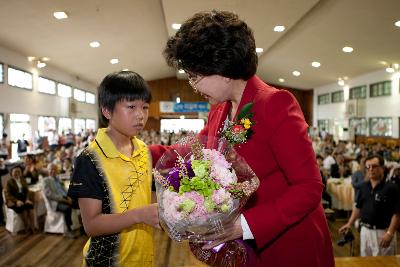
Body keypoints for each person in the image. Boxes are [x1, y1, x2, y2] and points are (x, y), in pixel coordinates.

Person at [150, 10, 334, 267]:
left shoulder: (275, 104)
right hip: (246, 249)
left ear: (223, 69)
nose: (193, 86)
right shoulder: (219, 109)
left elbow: (309, 187)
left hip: (287, 245)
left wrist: (245, 225)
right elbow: (194, 151)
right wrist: (143, 152)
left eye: (195, 77)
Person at [67, 71, 159, 266]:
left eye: (144, 107)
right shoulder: (90, 159)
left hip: (143, 257)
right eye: (131, 107)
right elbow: (91, 225)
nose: (140, 115)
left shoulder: (143, 149)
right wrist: (139, 215)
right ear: (107, 111)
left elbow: (146, 197)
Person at [339, 155, 400, 256]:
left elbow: (397, 214)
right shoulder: (363, 187)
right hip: (365, 232)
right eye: (368, 167)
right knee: (365, 262)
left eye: (374, 166)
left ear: (383, 168)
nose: (371, 169)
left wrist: (390, 233)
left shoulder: (392, 188)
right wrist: (349, 223)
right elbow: (358, 208)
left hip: (383, 232)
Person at [42, 163, 77, 238]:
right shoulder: (45, 181)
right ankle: (68, 230)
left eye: (54, 169)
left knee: (78, 203)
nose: (53, 171)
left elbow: (64, 190)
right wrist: (63, 200)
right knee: (67, 208)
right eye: (51, 169)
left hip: (64, 198)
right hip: (55, 202)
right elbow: (50, 195)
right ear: (48, 171)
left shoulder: (58, 179)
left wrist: (68, 197)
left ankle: (83, 226)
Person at [4, 166, 36, 233]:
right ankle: (26, 226)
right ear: (11, 173)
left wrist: (27, 199)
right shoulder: (9, 182)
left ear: (21, 173)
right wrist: (16, 201)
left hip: (23, 199)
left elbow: (27, 191)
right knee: (23, 208)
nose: (17, 173)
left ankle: (32, 226)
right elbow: (8, 195)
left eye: (19, 172)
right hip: (13, 201)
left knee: (31, 206)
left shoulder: (22, 179)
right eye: (15, 172)